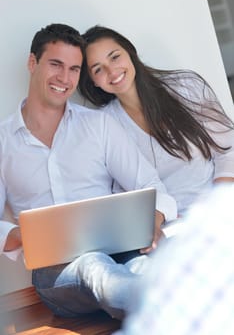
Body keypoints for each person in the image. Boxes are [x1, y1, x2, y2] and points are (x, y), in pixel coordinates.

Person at [0, 23, 177, 320]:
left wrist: (154, 221)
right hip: (56, 273)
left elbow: (151, 185)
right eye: (55, 64)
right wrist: (22, 235)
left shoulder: (99, 126)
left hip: (122, 251)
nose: (64, 78)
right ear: (33, 63)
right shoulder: (3, 142)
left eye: (74, 69)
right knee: (94, 266)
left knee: (145, 267)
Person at [78, 26, 234, 217]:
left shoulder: (186, 86)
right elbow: (123, 193)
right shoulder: (104, 123)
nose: (112, 71)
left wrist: (218, 205)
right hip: (169, 227)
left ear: (130, 52)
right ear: (93, 81)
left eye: (115, 57)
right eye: (98, 69)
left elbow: (228, 151)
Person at [112, 183, 234, 335]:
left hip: (171, 239)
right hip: (162, 241)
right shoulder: (218, 213)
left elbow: (161, 195)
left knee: (95, 268)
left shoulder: (220, 215)